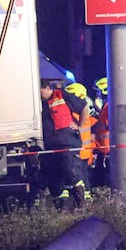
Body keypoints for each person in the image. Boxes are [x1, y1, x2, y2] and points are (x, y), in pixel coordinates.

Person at [39, 78, 88, 208]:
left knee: (70, 169)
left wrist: (80, 126)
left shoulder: (62, 95)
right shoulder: (42, 103)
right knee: (55, 176)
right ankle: (63, 207)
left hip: (67, 142)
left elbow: (84, 106)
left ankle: (81, 201)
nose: (39, 95)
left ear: (48, 88)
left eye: (41, 92)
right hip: (51, 145)